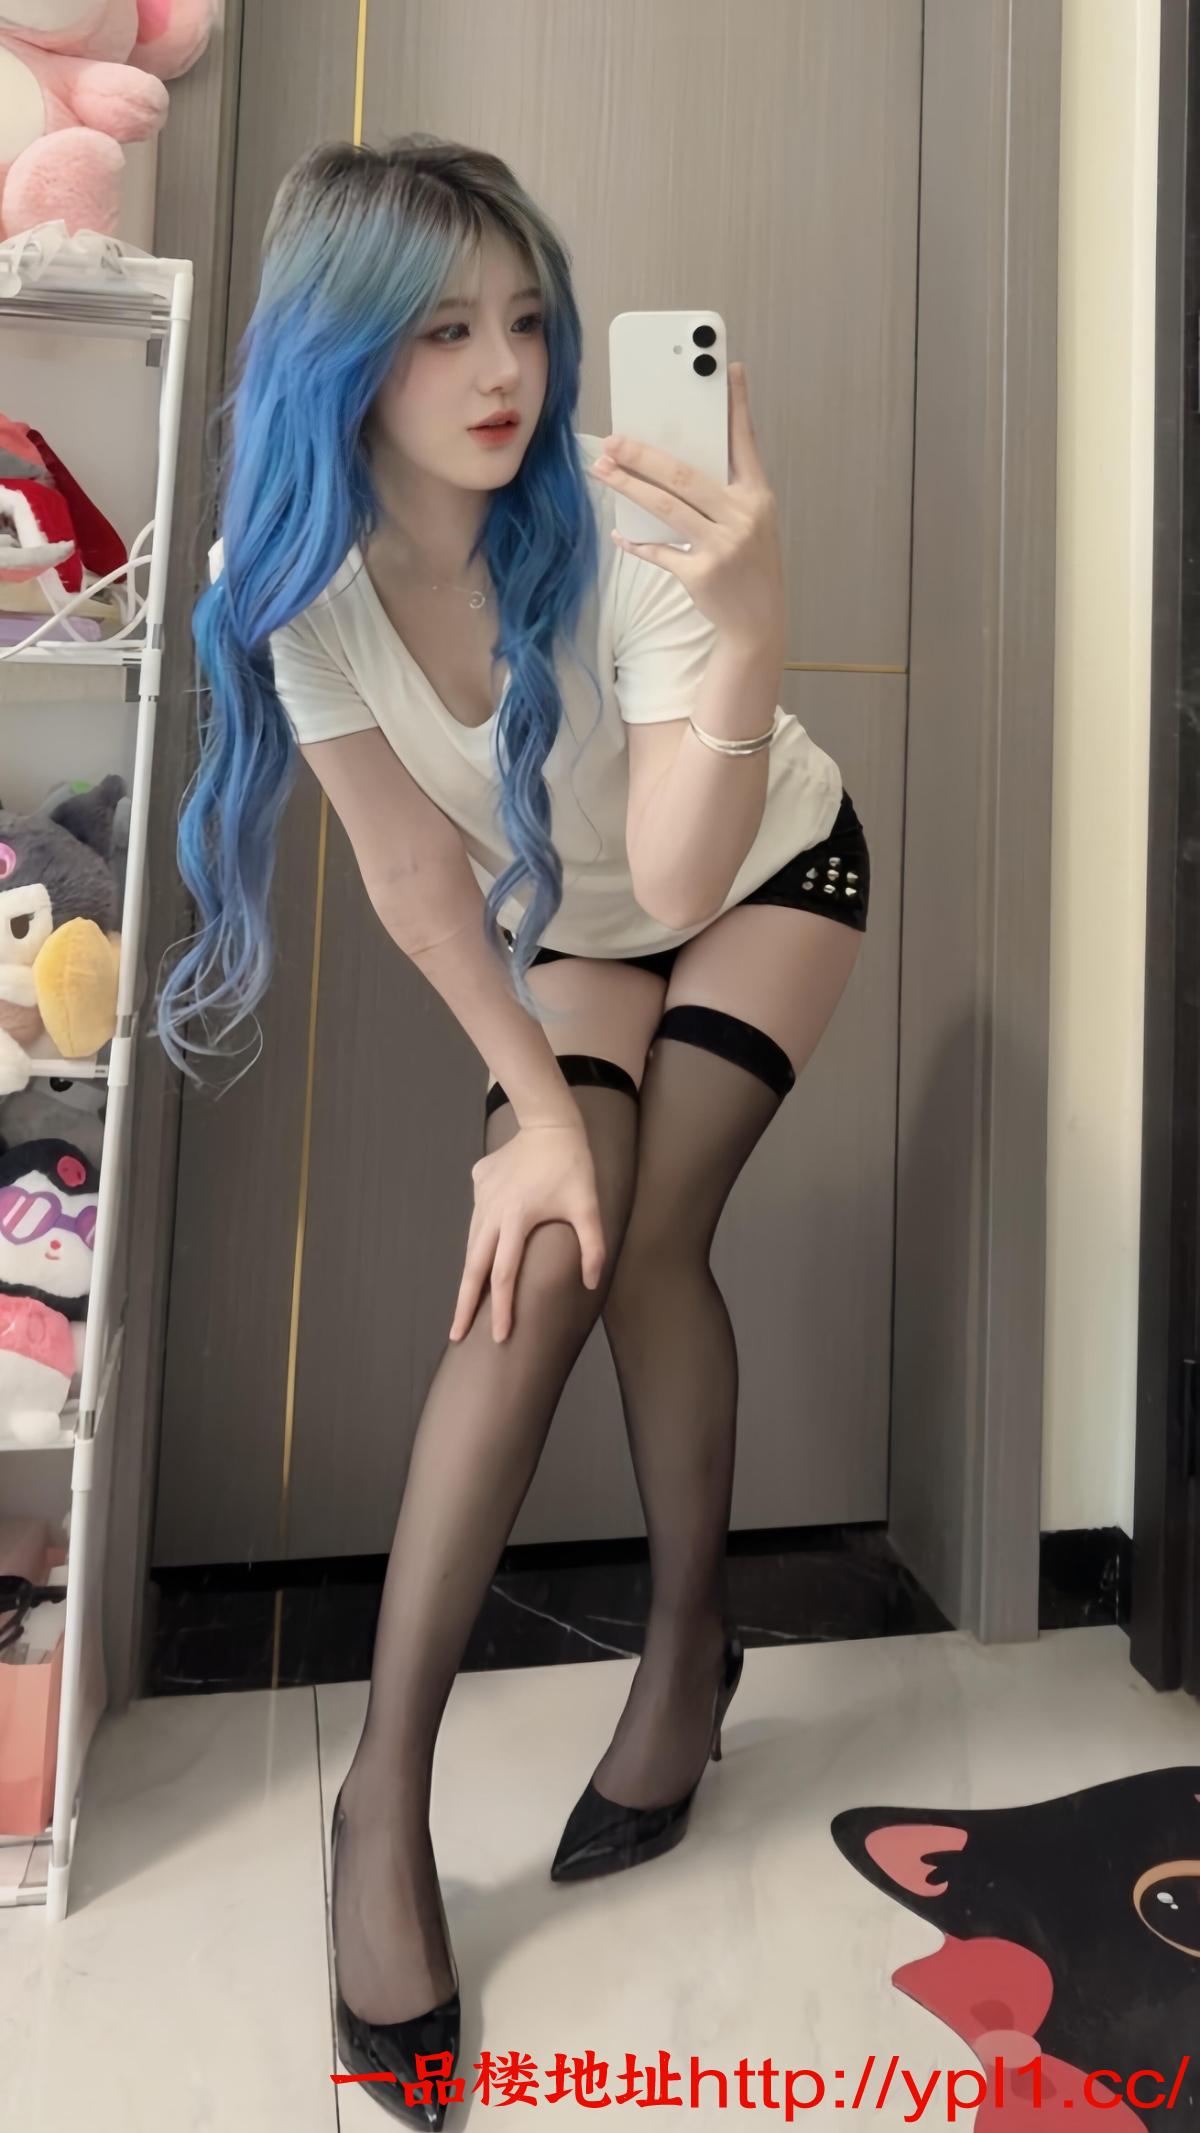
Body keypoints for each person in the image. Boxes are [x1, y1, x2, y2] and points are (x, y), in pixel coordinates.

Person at [160, 135, 871, 2130]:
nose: (505, 371)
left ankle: (687, 1643)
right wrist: (535, 1112)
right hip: (556, 927)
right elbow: (411, 873)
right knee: (543, 1244)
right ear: (342, 357)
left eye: (529, 321)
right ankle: (380, 1798)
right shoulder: (286, 581)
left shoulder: (624, 531)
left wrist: (748, 632)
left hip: (760, 866)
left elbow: (682, 866)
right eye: (443, 329)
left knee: (647, 1238)